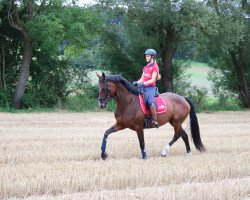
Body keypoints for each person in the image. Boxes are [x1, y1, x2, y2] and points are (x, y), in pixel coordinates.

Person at [133, 49, 160, 128]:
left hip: (151, 87)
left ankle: (155, 120)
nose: (146, 57)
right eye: (146, 56)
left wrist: (143, 83)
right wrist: (136, 82)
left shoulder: (155, 67)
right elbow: (142, 78)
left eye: (147, 56)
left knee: (149, 102)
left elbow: (152, 80)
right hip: (143, 86)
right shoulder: (145, 67)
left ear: (152, 57)